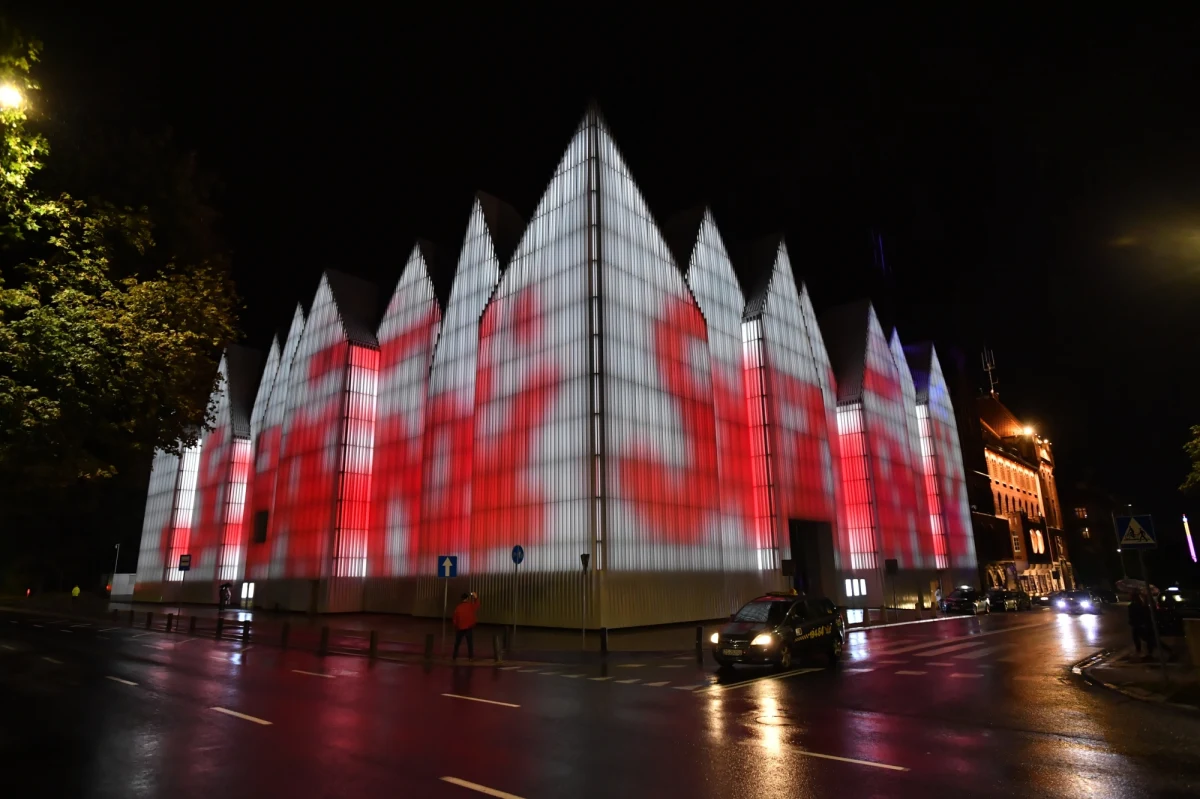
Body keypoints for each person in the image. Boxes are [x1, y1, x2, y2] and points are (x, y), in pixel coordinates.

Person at [452, 591, 480, 661]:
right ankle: (470, 657)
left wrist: (456, 626)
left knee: (457, 643)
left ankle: (454, 656)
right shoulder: (470, 606)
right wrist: (476, 597)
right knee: (469, 643)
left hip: (460, 628)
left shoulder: (458, 607)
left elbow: (455, 619)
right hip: (468, 627)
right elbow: (477, 605)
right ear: (467, 598)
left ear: (461, 599)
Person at [1128, 590, 1152, 657]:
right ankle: (1139, 650)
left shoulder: (1137, 604)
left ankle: (1147, 651)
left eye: (1130, 595)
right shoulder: (1136, 604)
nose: (1129, 596)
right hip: (1136, 624)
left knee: (1144, 638)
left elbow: (1138, 614)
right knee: (1137, 637)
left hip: (1138, 624)